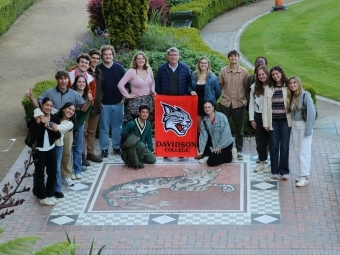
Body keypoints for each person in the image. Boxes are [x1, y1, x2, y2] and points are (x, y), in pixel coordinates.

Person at [25, 71, 91, 187]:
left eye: (65, 78)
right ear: (57, 80)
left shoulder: (74, 94)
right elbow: (38, 105)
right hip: (50, 128)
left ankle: (67, 176)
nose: (63, 81)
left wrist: (89, 100)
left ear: (68, 80)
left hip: (66, 128)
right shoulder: (49, 92)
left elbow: (84, 108)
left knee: (66, 153)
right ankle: (51, 179)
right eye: (61, 78)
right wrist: (31, 97)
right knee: (51, 155)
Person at [33, 102, 76, 198]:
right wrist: (39, 115)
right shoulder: (55, 115)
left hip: (57, 146)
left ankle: (56, 189)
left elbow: (57, 128)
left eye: (73, 111)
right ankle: (37, 188)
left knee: (55, 168)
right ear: (64, 108)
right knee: (40, 169)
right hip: (45, 146)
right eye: (69, 108)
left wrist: (45, 122)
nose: (71, 111)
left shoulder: (69, 124)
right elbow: (38, 109)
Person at [67, 52, 98, 166]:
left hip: (85, 110)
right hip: (70, 111)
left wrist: (89, 105)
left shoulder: (90, 78)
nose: (84, 64)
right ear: (78, 63)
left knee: (83, 133)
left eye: (86, 63)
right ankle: (71, 161)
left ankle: (82, 157)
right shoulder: (69, 76)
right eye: (82, 62)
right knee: (72, 137)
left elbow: (93, 94)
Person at [28, 97, 61, 206]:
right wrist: (42, 123)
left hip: (51, 149)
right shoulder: (34, 119)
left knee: (52, 172)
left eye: (51, 106)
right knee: (40, 174)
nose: (48, 107)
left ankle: (50, 194)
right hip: (39, 150)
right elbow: (34, 135)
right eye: (46, 105)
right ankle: (42, 197)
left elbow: (57, 136)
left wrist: (54, 129)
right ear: (42, 105)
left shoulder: (55, 118)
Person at [219, 50, 249, 160]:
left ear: (238, 58)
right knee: (223, 128)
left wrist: (245, 99)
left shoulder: (244, 72)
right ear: (228, 58)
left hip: (239, 104)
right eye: (231, 56)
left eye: (235, 56)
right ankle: (224, 149)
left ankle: (239, 150)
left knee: (239, 130)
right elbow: (220, 86)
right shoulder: (223, 71)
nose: (233, 58)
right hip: (225, 103)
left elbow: (247, 88)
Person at [263, 66, 292, 180]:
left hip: (285, 121)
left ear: (281, 73)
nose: (275, 76)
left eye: (277, 74)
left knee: (285, 146)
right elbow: (266, 107)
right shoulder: (269, 88)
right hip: (273, 121)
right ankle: (274, 171)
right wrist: (266, 123)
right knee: (274, 146)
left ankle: (284, 171)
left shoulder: (287, 86)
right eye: (273, 74)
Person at [97, 45, 126, 157]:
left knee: (117, 126)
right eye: (105, 54)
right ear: (102, 56)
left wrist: (124, 96)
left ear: (113, 55)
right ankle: (104, 149)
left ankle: (116, 147)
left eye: (110, 54)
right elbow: (95, 87)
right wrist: (98, 101)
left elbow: (126, 84)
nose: (108, 56)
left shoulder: (119, 68)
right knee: (104, 127)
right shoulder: (98, 69)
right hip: (104, 104)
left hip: (118, 103)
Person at [287, 76, 316, 187]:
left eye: (294, 83)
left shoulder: (305, 96)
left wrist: (308, 130)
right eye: (290, 83)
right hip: (294, 125)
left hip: (304, 126)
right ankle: (302, 174)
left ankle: (304, 177)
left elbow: (311, 114)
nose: (292, 85)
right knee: (297, 149)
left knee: (304, 151)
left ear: (298, 83)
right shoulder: (292, 95)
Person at [118, 52, 156, 120]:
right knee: (136, 124)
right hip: (136, 102)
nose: (141, 60)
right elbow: (120, 85)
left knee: (147, 123)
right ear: (135, 60)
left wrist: (152, 90)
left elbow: (152, 82)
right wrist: (128, 96)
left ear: (145, 60)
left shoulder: (149, 69)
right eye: (139, 59)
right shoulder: (131, 71)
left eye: (142, 58)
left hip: (148, 101)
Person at [82, 49, 104, 165]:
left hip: (96, 106)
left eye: (97, 58)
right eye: (93, 58)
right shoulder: (85, 72)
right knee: (83, 131)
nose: (95, 60)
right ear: (89, 59)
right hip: (86, 105)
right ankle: (82, 155)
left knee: (92, 131)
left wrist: (100, 100)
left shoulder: (99, 71)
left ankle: (90, 153)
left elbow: (100, 89)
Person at [197, 100, 234, 166]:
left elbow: (226, 134)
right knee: (199, 136)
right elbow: (203, 136)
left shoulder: (221, 117)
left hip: (225, 144)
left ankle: (230, 155)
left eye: (209, 107)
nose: (207, 109)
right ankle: (207, 155)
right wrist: (201, 150)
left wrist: (219, 147)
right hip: (214, 143)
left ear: (213, 107)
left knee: (211, 162)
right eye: (205, 108)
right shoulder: (204, 120)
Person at [190, 56, 221, 133]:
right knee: (198, 128)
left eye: (205, 63)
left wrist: (212, 100)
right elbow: (188, 86)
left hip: (207, 106)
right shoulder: (194, 75)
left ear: (208, 65)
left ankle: (209, 144)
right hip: (196, 105)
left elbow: (218, 92)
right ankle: (200, 144)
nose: (203, 64)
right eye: (201, 63)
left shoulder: (213, 78)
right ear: (199, 64)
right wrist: (191, 91)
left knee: (208, 128)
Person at [249, 65, 271, 173]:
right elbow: (251, 104)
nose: (261, 76)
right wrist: (251, 119)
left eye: (263, 74)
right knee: (260, 141)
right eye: (259, 75)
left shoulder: (272, 86)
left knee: (272, 141)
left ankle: (272, 163)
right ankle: (262, 162)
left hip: (271, 117)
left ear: (267, 74)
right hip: (258, 116)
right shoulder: (254, 87)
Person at [72, 75, 93, 180]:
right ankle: (70, 170)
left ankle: (77, 170)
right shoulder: (71, 95)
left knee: (78, 147)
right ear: (75, 83)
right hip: (69, 124)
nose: (81, 84)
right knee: (69, 148)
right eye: (79, 82)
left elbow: (85, 110)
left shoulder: (87, 96)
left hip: (80, 124)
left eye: (83, 82)